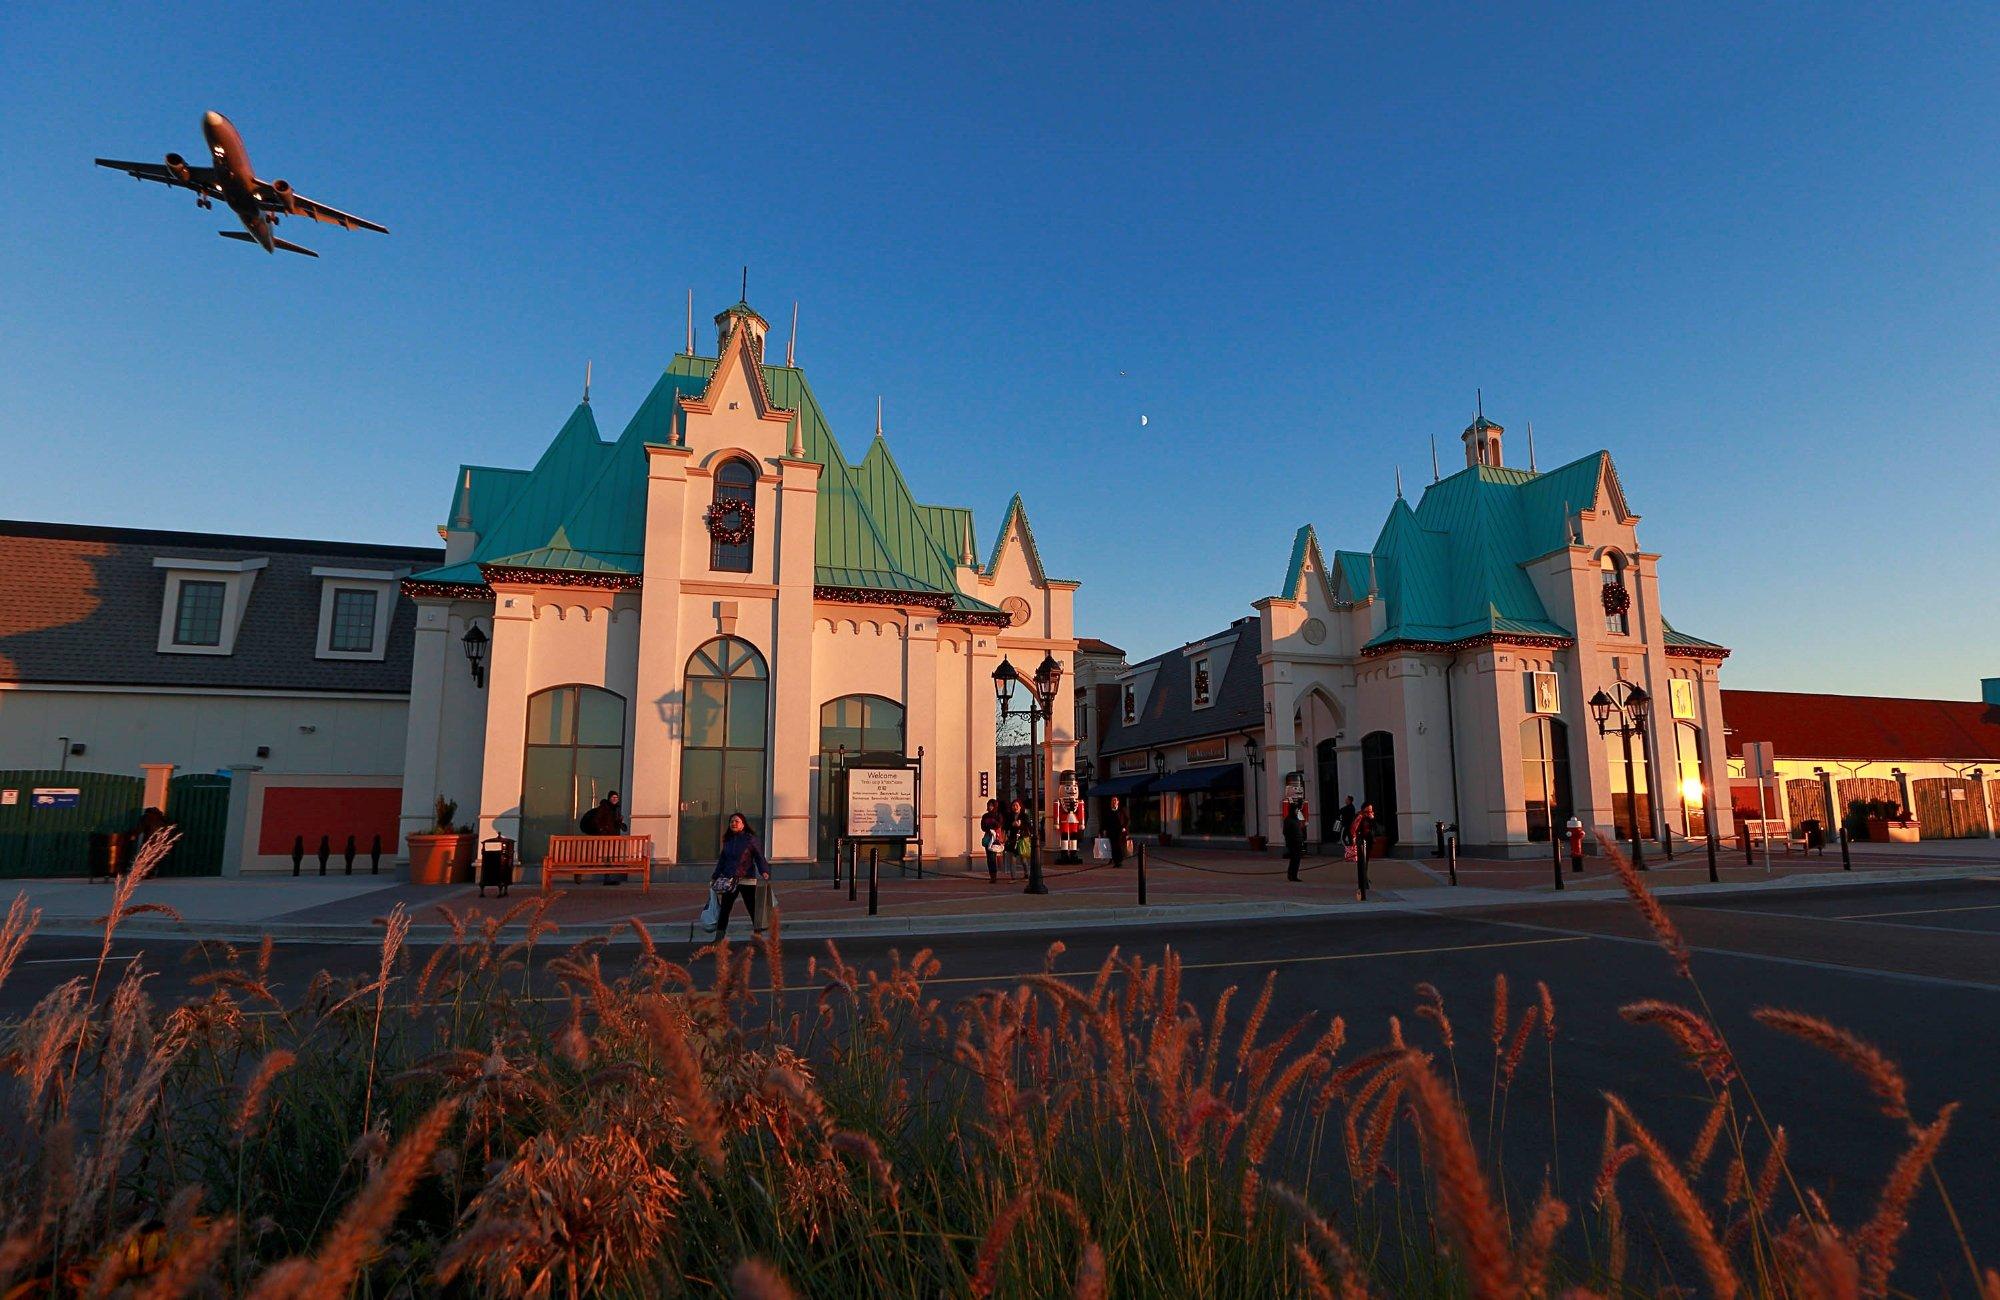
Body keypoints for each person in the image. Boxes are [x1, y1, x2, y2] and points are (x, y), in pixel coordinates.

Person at [706, 811, 771, 935]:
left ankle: (758, 935)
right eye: (731, 821)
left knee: (752, 908)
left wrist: (764, 871)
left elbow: (759, 856)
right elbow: (722, 860)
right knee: (725, 908)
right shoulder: (728, 841)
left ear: (743, 824)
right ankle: (719, 937)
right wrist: (715, 876)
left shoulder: (750, 839)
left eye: (737, 821)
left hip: (746, 878)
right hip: (729, 880)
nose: (734, 823)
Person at [1003, 798, 1032, 880]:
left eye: (1017, 805)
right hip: (1013, 839)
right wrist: (1012, 824)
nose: (1015, 807)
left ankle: (1027, 874)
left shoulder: (1024, 816)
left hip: (1022, 839)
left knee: (1023, 859)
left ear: (1020, 807)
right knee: (1013, 859)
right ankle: (1013, 877)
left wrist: (1020, 825)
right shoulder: (1009, 816)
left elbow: (1028, 826)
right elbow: (1006, 826)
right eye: (1013, 805)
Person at [1352, 802, 1376, 901]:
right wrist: (1354, 839)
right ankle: (1363, 883)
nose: (1370, 812)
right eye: (1368, 810)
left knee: (1366, 862)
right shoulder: (1360, 816)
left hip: (1369, 841)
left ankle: (1364, 880)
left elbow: (1373, 827)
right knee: (1362, 862)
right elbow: (1354, 828)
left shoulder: (1370, 817)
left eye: (1371, 810)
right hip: (1362, 841)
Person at [1281, 796, 1308, 882]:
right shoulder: (1288, 820)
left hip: (1299, 842)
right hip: (1293, 843)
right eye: (1296, 810)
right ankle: (1291, 875)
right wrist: (1290, 841)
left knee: (1297, 860)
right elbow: (1286, 832)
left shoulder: (1296, 819)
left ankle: (1294, 875)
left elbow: (1301, 828)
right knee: (1294, 859)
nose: (1297, 811)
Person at [979, 798, 1004, 882]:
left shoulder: (998, 815)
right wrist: (989, 826)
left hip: (995, 838)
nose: (990, 807)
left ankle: (994, 876)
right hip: (988, 836)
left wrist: (992, 821)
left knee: (993, 857)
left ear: (995, 806)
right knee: (989, 858)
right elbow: (983, 827)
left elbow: (999, 825)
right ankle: (991, 876)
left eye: (992, 806)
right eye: (989, 805)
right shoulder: (985, 816)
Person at [1102, 795, 1129, 869]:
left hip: (1119, 831)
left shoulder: (1121, 811)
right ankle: (1115, 860)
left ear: (1118, 802)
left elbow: (1127, 820)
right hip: (1111, 831)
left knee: (1118, 846)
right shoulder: (1108, 811)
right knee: (1113, 846)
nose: (1113, 802)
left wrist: (1124, 827)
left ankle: (1119, 861)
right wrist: (1104, 830)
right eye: (1112, 801)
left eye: (1115, 800)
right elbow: (1104, 821)